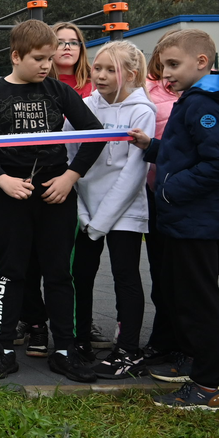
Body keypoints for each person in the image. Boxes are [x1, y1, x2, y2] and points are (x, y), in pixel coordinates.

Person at [0, 19, 106, 383]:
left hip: (56, 194)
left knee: (60, 273)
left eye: (51, 58)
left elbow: (96, 135)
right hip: (10, 196)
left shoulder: (59, 92)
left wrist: (70, 176)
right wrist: (2, 180)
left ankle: (65, 350)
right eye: (39, 58)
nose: (47, 65)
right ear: (16, 56)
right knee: (10, 273)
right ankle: (3, 350)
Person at [128, 29, 219, 412]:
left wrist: (168, 190)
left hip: (195, 219)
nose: (165, 75)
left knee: (199, 301)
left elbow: (217, 165)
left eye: (174, 65)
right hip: (185, 218)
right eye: (163, 66)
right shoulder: (195, 99)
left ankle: (208, 388)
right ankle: (200, 369)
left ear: (201, 62)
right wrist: (153, 148)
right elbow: (186, 153)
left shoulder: (204, 104)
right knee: (186, 295)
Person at [67, 42, 155, 379]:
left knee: (126, 278)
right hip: (86, 209)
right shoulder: (83, 105)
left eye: (109, 69)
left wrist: (102, 220)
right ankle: (80, 340)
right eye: (96, 68)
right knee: (82, 276)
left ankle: (127, 349)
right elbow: (69, 153)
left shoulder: (141, 110)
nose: (99, 75)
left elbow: (134, 172)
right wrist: (84, 212)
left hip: (124, 212)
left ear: (130, 75)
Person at [50, 22, 92, 98]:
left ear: (81, 49)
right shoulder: (38, 83)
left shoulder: (96, 84)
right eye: (59, 43)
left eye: (73, 43)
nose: (67, 47)